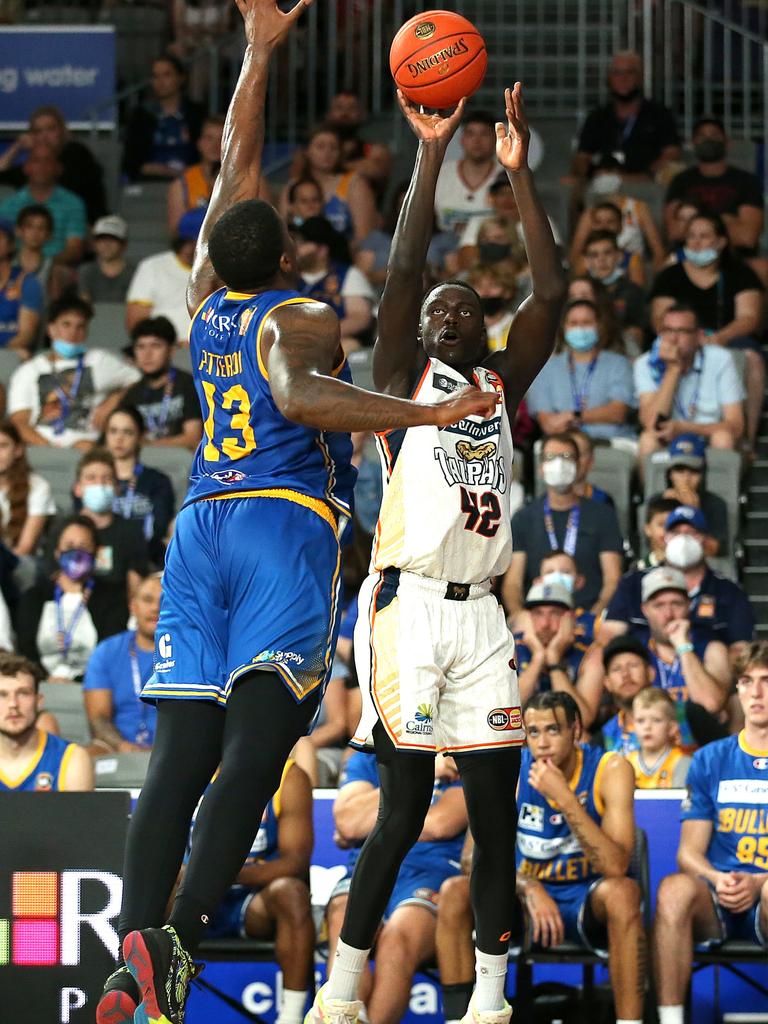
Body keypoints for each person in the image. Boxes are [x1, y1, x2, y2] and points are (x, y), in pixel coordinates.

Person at [100, 3, 499, 1022]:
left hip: (199, 528)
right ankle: (183, 937)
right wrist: (429, 408)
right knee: (253, 751)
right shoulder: (303, 313)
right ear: (287, 251)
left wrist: (258, 53)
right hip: (280, 525)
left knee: (177, 756)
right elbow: (297, 395)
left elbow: (235, 162)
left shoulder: (201, 294)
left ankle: (131, 962)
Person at [308, 80, 565, 1024]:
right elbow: (409, 259)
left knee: (495, 811)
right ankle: (338, 992)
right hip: (407, 606)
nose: (448, 313)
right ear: (417, 331)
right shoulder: (399, 378)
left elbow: (555, 286)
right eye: (437, 310)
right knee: (406, 806)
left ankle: (490, 1005)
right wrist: (425, 153)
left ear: (484, 328)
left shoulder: (503, 385)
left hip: (484, 617)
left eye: (464, 308)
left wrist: (517, 177)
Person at [436, 691, 644, 1024]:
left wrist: (565, 799)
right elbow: (469, 860)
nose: (542, 743)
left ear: (576, 730)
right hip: (524, 902)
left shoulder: (610, 768)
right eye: (533, 732)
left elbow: (617, 866)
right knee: (454, 891)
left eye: (553, 730)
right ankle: (459, 1018)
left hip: (585, 899)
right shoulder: (511, 770)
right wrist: (527, 886)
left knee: (624, 893)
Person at [652, 640, 768, 1024]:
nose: (757, 693)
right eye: (747, 682)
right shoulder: (710, 759)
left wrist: (759, 882)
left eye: (766, 681)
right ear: (737, 689)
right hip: (718, 894)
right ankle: (670, 1020)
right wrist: (717, 878)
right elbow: (688, 853)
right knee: (673, 889)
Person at [327, 751, 467, 1024]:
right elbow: (347, 823)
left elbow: (441, 824)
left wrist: (374, 819)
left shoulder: (458, 755)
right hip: (368, 867)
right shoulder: (368, 756)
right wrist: (420, 773)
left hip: (429, 872)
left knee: (398, 938)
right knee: (342, 918)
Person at [191, 759, 315, 1024]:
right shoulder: (187, 766)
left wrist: (222, 875)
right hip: (191, 897)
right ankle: (153, 1005)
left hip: (253, 898)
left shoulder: (287, 776)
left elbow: (295, 862)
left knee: (291, 892)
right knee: (158, 884)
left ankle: (292, 1016)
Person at [649, 214, 764, 447]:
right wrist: (686, 336)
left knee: (753, 358)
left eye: (704, 236)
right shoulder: (670, 275)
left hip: (729, 338)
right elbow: (658, 318)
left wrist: (719, 338)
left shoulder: (740, 273)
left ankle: (748, 440)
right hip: (679, 336)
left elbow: (749, 318)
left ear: (721, 242)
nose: (696, 242)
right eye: (691, 236)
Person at [504, 433, 624, 617]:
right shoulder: (523, 518)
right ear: (541, 468)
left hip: (588, 615)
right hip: (537, 617)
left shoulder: (603, 515)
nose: (559, 464)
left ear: (578, 465)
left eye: (567, 457)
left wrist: (592, 618)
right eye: (551, 457)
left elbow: (612, 579)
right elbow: (513, 584)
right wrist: (521, 617)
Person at [7, 295, 141, 450]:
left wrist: (115, 399)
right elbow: (19, 423)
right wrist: (52, 451)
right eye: (66, 325)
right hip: (40, 449)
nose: (73, 332)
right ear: (51, 329)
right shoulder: (29, 371)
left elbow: (140, 380)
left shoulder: (100, 361)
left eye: (80, 326)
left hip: (88, 449)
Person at [634, 303, 745, 458]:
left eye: (682, 331)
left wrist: (686, 428)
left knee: (723, 438)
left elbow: (736, 426)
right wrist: (673, 370)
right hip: (668, 438)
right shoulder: (645, 363)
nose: (673, 338)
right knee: (648, 440)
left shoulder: (721, 359)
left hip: (708, 436)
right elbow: (651, 424)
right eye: (667, 330)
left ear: (698, 336)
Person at [524, 299, 636, 442]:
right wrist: (594, 417)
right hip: (564, 444)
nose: (580, 329)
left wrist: (572, 416)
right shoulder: (546, 370)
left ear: (599, 326)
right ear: (564, 328)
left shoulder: (619, 364)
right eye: (574, 323)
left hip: (611, 443)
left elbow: (617, 413)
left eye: (586, 322)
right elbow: (548, 424)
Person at [72, 448, 151, 636]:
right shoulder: (66, 529)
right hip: (73, 606)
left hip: (117, 613)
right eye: (91, 478)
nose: (99, 484)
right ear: (78, 488)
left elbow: (135, 584)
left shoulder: (131, 531)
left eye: (106, 479)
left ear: (117, 488)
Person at [571, 50, 681, 182]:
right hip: (604, 188)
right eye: (617, 73)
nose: (623, 79)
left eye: (630, 72)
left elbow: (672, 154)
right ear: (609, 78)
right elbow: (582, 157)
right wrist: (591, 175)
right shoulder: (597, 117)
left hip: (647, 187)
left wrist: (641, 176)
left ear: (640, 78)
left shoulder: (660, 114)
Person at [15, 515, 103, 680]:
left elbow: (110, 650)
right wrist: (45, 677)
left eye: (83, 546)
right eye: (69, 545)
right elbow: (25, 648)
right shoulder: (35, 595)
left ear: (96, 551)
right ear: (57, 552)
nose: (76, 552)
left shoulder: (110, 596)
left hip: (93, 684)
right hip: (40, 681)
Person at [83, 572, 161, 753]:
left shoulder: (187, 652)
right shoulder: (107, 651)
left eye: (164, 601)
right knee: (81, 756)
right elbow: (99, 719)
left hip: (174, 749)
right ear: (133, 606)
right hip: (117, 747)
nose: (156, 608)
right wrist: (125, 747)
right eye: (147, 600)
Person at [664, 117, 764, 257]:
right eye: (702, 136)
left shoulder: (746, 181)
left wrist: (693, 220)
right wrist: (728, 220)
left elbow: (747, 238)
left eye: (714, 135)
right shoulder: (681, 181)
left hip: (735, 258)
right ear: (693, 143)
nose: (708, 139)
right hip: (688, 257)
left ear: (727, 142)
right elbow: (674, 232)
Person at [0, 651, 93, 791]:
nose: (13, 703)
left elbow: (77, 813)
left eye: (23, 693)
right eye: (2, 695)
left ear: (39, 701)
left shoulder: (71, 758)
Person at [0, 105, 107, 224]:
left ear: (62, 131)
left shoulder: (77, 153)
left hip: (85, 224)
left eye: (50, 129)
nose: (44, 137)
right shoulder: (33, 166)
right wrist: (17, 146)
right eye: (38, 131)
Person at [280, 124, 378, 245]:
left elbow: (365, 238)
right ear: (307, 151)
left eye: (333, 148)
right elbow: (283, 232)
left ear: (340, 153)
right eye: (320, 147)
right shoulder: (293, 185)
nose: (327, 152)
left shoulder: (355, 184)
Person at [103, 406, 176, 563]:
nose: (119, 439)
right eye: (113, 431)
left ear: (140, 437)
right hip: (103, 559)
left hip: (147, 557)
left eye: (128, 432)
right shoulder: (95, 478)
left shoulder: (158, 481)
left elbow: (160, 528)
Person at [293, 215, 375, 350]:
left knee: (349, 345)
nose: (297, 248)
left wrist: (320, 337)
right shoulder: (289, 279)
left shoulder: (347, 275)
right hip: (294, 346)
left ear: (322, 250)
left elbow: (360, 317)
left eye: (303, 243)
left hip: (334, 345)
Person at [513, 580, 591, 721]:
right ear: (528, 617)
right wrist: (538, 658)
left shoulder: (589, 650)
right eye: (538, 613)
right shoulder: (510, 646)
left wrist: (554, 660)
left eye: (555, 613)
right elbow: (508, 711)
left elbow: (581, 721)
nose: (545, 624)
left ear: (571, 618)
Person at [122, 315, 202, 451]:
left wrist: (148, 445)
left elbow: (193, 439)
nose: (147, 354)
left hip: (183, 464)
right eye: (141, 347)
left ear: (171, 350)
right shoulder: (131, 395)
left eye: (155, 345)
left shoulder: (189, 385)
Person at [569, 160, 665, 273]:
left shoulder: (639, 208)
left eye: (609, 174)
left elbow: (658, 252)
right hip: (597, 268)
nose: (604, 178)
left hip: (632, 267)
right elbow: (575, 253)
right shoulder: (590, 212)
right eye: (600, 175)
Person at [122, 54, 205, 182]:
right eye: (155, 76)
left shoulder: (197, 113)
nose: (160, 82)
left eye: (167, 75)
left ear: (181, 78)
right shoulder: (140, 115)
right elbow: (131, 161)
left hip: (191, 182)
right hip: (148, 182)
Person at [126, 209, 205, 342]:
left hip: (208, 351)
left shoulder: (224, 272)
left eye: (195, 242)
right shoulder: (152, 267)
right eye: (185, 241)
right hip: (164, 349)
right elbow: (136, 322)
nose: (188, 248)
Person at [0, 144, 87, 265]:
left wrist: (44, 265)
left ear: (58, 168)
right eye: (36, 161)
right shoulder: (8, 205)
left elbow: (75, 249)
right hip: (15, 268)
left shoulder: (74, 203)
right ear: (26, 167)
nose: (42, 166)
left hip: (57, 267)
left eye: (48, 161)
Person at [457, 171, 561, 271]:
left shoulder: (541, 222)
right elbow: (467, 260)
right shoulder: (478, 222)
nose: (507, 200)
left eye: (514, 193)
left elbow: (552, 260)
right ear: (492, 198)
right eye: (502, 194)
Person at [647, 434, 729, 556]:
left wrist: (694, 513)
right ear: (670, 474)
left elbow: (713, 551)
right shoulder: (657, 501)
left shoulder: (715, 503)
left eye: (694, 471)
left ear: (703, 475)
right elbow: (652, 549)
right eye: (679, 470)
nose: (686, 478)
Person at [579, 229, 648, 349]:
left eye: (607, 253)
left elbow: (637, 334)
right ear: (586, 261)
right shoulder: (577, 290)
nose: (602, 260)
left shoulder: (633, 292)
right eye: (594, 255)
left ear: (619, 256)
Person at [434, 111, 499, 235]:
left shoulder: (507, 177)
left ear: (496, 139)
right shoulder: (441, 173)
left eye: (484, 134)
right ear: (462, 139)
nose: (477, 141)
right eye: (470, 134)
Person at [324, 90, 393, 202]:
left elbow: (376, 170)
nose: (344, 113)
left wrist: (327, 165)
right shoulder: (308, 150)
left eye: (351, 108)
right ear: (328, 114)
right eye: (339, 107)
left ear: (362, 114)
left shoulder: (374, 151)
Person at [0, 419, 55, 557]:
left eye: (3, 446)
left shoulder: (38, 487)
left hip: (16, 564)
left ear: (18, 450)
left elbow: (25, 548)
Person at [594, 634, 656, 754]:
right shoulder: (604, 738)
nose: (625, 674)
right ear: (607, 683)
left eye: (633, 665)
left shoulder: (683, 716)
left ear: (650, 673)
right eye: (616, 669)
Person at [627, 687, 691, 788]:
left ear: (672, 728)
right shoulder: (627, 764)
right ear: (633, 725)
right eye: (640, 721)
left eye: (656, 720)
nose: (647, 727)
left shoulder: (682, 763)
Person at [78, 215, 136, 304]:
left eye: (112, 239)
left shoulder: (135, 273)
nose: (106, 244)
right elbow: (84, 304)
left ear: (124, 245)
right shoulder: (86, 271)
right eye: (101, 239)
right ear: (94, 244)